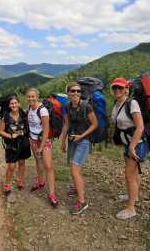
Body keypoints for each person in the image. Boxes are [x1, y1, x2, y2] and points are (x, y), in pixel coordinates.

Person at [111, 77, 149, 220]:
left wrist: (132, 147)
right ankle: (134, 196)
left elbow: (140, 127)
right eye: (114, 88)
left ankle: (131, 208)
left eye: (120, 88)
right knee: (133, 173)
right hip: (129, 143)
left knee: (129, 176)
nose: (116, 90)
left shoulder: (132, 103)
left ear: (126, 89)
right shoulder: (117, 104)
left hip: (137, 144)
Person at [61, 82, 98, 214]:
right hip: (72, 140)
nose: (76, 93)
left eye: (78, 91)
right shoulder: (67, 106)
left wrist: (81, 136)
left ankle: (82, 202)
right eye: (73, 91)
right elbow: (66, 124)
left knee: (75, 170)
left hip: (84, 141)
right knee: (72, 167)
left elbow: (95, 124)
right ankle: (77, 188)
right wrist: (63, 141)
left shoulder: (86, 106)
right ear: (68, 93)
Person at [26, 88, 58, 207]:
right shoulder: (29, 108)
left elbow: (46, 129)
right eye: (29, 96)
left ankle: (52, 193)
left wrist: (42, 145)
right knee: (38, 161)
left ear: (37, 97)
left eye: (33, 96)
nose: (31, 99)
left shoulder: (43, 110)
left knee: (48, 166)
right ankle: (40, 182)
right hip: (33, 139)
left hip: (44, 141)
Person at [0, 95, 31, 196]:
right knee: (11, 166)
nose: (13, 105)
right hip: (11, 144)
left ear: (19, 104)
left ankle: (20, 180)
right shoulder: (6, 117)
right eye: (11, 103)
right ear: (9, 105)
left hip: (23, 143)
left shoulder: (24, 114)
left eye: (15, 103)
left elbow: (29, 128)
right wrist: (11, 136)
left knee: (22, 162)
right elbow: (0, 132)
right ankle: (7, 184)